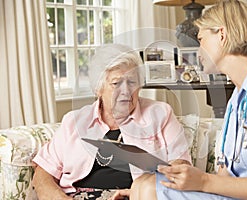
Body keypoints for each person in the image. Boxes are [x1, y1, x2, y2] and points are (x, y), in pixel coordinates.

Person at [112, 0, 247, 199]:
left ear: (222, 35)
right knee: (143, 184)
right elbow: (226, 176)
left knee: (150, 189)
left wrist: (203, 181)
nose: (197, 50)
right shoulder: (238, 97)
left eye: (200, 39)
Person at [32, 44, 191, 199]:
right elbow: (43, 173)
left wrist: (146, 191)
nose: (126, 91)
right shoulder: (74, 121)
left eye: (132, 82)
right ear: (98, 89)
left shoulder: (160, 114)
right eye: (116, 83)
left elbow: (181, 166)